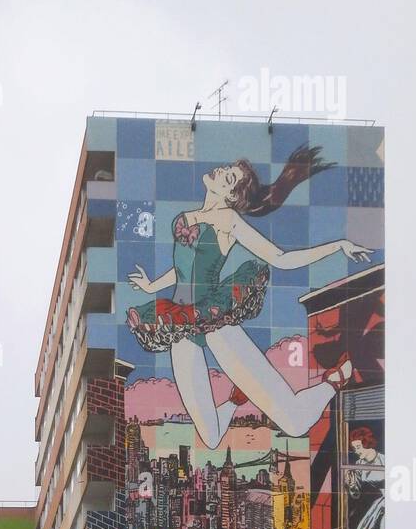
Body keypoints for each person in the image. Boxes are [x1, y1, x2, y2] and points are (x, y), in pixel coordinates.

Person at [126, 147, 373, 449]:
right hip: (179, 325)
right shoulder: (186, 216)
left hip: (214, 319)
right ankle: (235, 399)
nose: (220, 169)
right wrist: (152, 287)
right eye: (228, 166)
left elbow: (280, 258)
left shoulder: (228, 220)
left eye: (228, 175)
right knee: (212, 438)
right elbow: (182, 269)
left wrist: (338, 246)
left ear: (231, 195)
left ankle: (336, 379)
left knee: (294, 424)